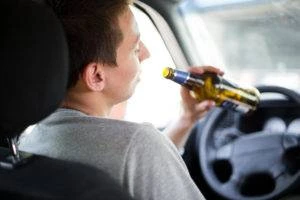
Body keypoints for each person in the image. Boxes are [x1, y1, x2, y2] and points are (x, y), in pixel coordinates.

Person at [19, 0, 223, 199]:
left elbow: (128, 159)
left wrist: (187, 119)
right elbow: (134, 153)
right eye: (135, 48)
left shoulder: (27, 145)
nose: (146, 53)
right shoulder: (140, 145)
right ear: (96, 76)